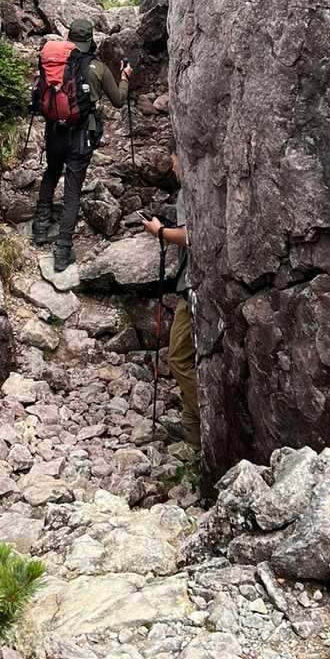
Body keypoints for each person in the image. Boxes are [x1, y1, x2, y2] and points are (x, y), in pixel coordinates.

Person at [32, 18, 132, 272]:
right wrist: (125, 77)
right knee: (73, 189)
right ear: (90, 40)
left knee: (51, 172)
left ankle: (40, 226)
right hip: (81, 134)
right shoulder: (97, 67)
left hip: (54, 130)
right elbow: (119, 100)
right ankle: (63, 250)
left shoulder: (56, 63)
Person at [143, 154, 198, 449]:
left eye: (173, 159)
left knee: (177, 359)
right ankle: (192, 431)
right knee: (189, 358)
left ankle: (206, 418)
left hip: (192, 286)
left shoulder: (190, 191)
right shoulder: (200, 186)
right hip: (193, 284)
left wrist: (160, 232)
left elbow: (190, 236)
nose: (171, 166)